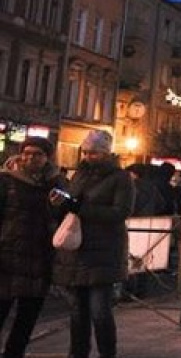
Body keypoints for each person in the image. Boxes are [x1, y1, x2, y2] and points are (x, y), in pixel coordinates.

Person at [51, 130, 136, 358]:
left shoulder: (120, 178)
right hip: (78, 248)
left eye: (94, 153)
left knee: (100, 311)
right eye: (86, 152)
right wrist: (61, 203)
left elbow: (121, 212)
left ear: (107, 153)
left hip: (104, 251)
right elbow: (72, 205)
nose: (88, 156)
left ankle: (107, 353)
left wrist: (82, 209)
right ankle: (78, 353)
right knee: (78, 311)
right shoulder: (79, 174)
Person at [0, 137, 64, 358]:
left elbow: (64, 217)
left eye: (37, 154)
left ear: (47, 157)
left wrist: (58, 207)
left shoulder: (56, 183)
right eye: (27, 153)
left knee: (27, 318)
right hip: (8, 255)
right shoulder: (6, 180)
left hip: (40, 256)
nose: (31, 157)